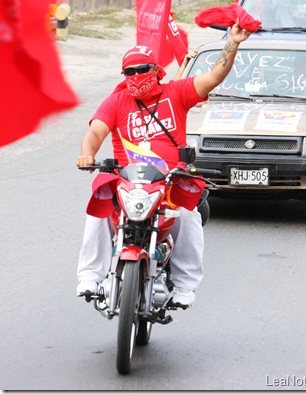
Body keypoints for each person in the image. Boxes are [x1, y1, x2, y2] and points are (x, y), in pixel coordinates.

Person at [76, 21, 251, 308]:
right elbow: (95, 131)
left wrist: (232, 43)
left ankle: (184, 286)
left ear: (157, 71)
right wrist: (87, 153)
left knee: (188, 215)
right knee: (99, 205)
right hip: (127, 181)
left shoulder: (177, 93)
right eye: (129, 72)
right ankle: (89, 277)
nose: (136, 76)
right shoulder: (117, 101)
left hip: (169, 181)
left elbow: (214, 76)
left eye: (142, 69)